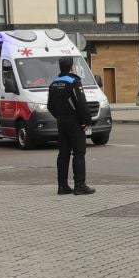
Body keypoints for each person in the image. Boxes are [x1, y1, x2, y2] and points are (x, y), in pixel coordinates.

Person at [48, 55, 95, 196]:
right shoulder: (74, 82)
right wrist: (86, 121)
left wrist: (60, 117)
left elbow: (50, 106)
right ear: (71, 66)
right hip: (75, 122)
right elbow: (81, 103)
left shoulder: (54, 83)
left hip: (61, 122)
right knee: (79, 153)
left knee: (63, 154)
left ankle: (62, 187)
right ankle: (80, 186)